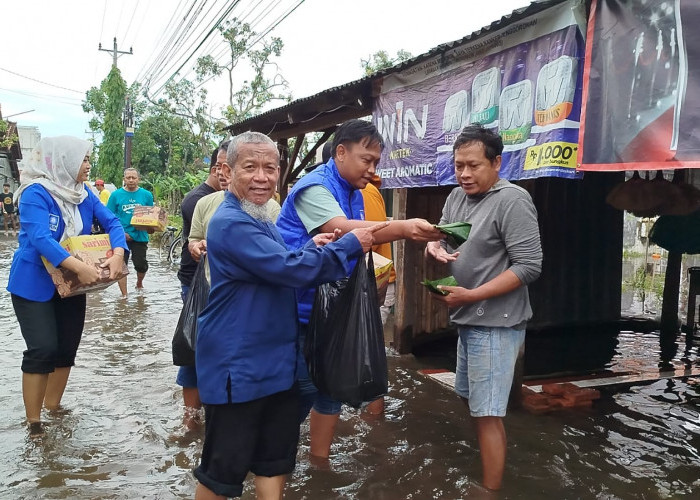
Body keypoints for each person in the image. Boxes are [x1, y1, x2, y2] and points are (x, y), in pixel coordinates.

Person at [193, 131, 386, 499]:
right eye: (250, 167)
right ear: (227, 171)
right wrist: (348, 242)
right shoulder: (229, 221)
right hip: (239, 368)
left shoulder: (263, 217)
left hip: (277, 363)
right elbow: (287, 269)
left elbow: (284, 261)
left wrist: (314, 244)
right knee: (222, 471)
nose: (262, 177)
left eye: (271, 168)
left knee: (275, 461)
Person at [276, 118, 444, 460]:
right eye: (365, 159)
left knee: (331, 389)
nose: (372, 169)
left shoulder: (354, 191)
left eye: (377, 162)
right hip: (298, 309)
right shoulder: (314, 188)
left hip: (333, 307)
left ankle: (318, 465)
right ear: (340, 152)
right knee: (299, 392)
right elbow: (342, 231)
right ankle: (273, 464)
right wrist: (403, 227)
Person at [425, 124, 542, 491]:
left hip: (496, 320)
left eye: (473, 166)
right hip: (468, 318)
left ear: (497, 163)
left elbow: (529, 266)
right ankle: (491, 459)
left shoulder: (513, 200)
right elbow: (444, 235)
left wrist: (471, 295)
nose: (464, 174)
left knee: (488, 413)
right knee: (470, 397)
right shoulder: (457, 197)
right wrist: (435, 247)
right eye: (459, 165)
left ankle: (488, 493)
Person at [6, 136, 127, 432]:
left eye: (88, 159)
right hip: (34, 283)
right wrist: (80, 267)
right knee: (43, 348)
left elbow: (112, 222)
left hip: (72, 286)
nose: (87, 166)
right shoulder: (35, 193)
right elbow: (40, 238)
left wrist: (119, 254)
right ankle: (34, 425)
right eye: (83, 160)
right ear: (63, 161)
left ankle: (54, 409)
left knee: (66, 349)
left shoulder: (83, 193)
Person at [174, 148, 222, 430]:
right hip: (197, 283)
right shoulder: (199, 200)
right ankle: (190, 418)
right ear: (218, 168)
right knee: (193, 348)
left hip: (219, 285)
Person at [188, 140, 281, 269]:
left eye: (268, 168)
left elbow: (279, 255)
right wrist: (196, 247)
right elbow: (194, 238)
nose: (221, 172)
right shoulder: (204, 203)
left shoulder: (272, 207)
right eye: (218, 166)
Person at [359, 173, 396, 416]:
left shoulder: (364, 192)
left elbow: (367, 237)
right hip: (374, 282)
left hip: (373, 283)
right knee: (368, 355)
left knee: (368, 358)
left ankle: (374, 423)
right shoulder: (371, 189)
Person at [107, 168, 154, 295]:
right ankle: (124, 295)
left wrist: (151, 228)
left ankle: (139, 283)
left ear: (138, 179)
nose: (131, 180)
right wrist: (119, 233)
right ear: (124, 179)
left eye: (134, 177)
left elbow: (151, 216)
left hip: (140, 235)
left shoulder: (147, 195)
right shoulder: (115, 195)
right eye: (128, 177)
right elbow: (108, 217)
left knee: (141, 264)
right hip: (121, 237)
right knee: (121, 266)